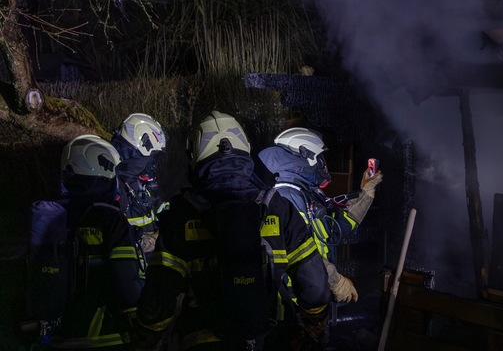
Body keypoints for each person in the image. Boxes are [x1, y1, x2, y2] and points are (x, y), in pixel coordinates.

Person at [132, 111, 331, 351]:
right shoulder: (277, 207)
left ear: (195, 154)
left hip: (202, 340)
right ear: (244, 146)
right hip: (269, 338)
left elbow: (160, 295)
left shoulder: (183, 215)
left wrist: (146, 335)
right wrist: (315, 323)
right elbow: (314, 283)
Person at [25, 134, 142, 349]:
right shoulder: (110, 217)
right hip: (103, 333)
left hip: (58, 335)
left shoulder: (54, 214)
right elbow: (126, 281)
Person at [258, 127, 383, 307]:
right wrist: (336, 281)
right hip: (297, 303)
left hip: (313, 294)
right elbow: (302, 251)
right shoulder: (287, 197)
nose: (323, 165)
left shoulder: (303, 194)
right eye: (320, 159)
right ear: (307, 157)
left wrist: (366, 194)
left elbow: (336, 230)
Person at [110, 112, 168, 272]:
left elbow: (157, 215)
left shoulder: (139, 184)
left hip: (148, 273)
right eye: (151, 157)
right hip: (129, 274)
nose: (152, 164)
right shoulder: (114, 186)